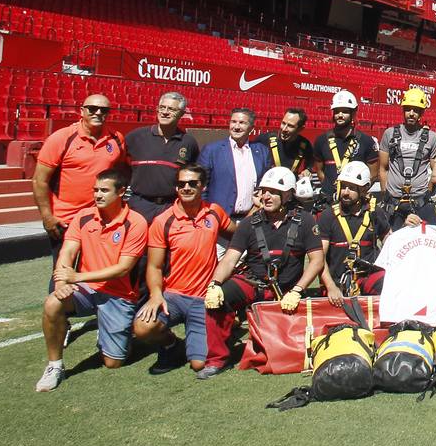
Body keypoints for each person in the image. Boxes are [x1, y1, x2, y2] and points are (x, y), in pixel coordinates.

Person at [202, 167, 324, 379]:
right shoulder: (249, 224)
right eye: (263, 191)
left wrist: (297, 290)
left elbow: (316, 261)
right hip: (254, 283)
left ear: (287, 194)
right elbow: (230, 258)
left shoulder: (305, 221)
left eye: (273, 191)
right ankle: (217, 358)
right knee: (219, 298)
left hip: (288, 291)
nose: (265, 196)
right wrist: (214, 284)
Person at [36, 169, 147, 392]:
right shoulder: (83, 217)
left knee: (113, 363)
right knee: (52, 303)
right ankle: (54, 366)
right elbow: (67, 252)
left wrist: (76, 277)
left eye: (104, 190)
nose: (98, 195)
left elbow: (122, 269)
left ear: (121, 192)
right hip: (86, 289)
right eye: (95, 190)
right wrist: (61, 284)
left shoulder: (136, 222)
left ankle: (113, 335)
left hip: (119, 294)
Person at [134, 164, 232, 374]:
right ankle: (172, 345)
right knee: (143, 327)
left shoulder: (215, 212)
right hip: (173, 296)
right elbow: (154, 266)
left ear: (203, 186)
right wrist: (155, 295)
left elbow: (239, 235)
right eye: (181, 184)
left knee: (199, 364)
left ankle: (202, 337)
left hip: (203, 298)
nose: (186, 187)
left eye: (192, 183)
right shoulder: (163, 221)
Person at [31, 94, 127, 266]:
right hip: (65, 220)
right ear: (81, 111)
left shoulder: (116, 139)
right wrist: (47, 217)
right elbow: (40, 181)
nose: (98, 113)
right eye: (92, 109)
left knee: (93, 271)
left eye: (103, 110)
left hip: (100, 218)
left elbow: (120, 172)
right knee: (63, 273)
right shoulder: (61, 138)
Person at [317, 161, 390, 301]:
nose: (345, 192)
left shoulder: (374, 212)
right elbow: (319, 258)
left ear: (364, 190)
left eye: (351, 188)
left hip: (368, 277)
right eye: (343, 187)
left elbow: (389, 239)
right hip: (338, 281)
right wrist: (331, 286)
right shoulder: (328, 215)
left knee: (387, 283)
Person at [125, 91, 199, 223]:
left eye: (171, 109)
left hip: (171, 206)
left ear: (182, 114)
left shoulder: (188, 142)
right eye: (162, 107)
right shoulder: (136, 137)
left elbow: (193, 175)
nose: (165, 112)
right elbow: (120, 166)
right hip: (139, 206)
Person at [376, 87, 436, 217]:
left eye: (416, 110)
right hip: (393, 201)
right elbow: (383, 168)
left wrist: (428, 191)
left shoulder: (432, 137)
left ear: (421, 113)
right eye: (408, 109)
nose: (411, 113)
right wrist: (384, 193)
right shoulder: (389, 134)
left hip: (420, 201)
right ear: (403, 110)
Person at [202, 108, 269, 225]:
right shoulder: (212, 150)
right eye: (233, 122)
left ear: (252, 128)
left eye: (242, 123)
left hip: (252, 220)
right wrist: (206, 215)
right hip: (218, 220)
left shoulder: (262, 151)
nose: (236, 126)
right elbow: (201, 187)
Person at [320, 89, 381, 203]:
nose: (340, 115)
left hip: (356, 204)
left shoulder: (367, 142)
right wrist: (330, 187)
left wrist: (358, 192)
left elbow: (373, 174)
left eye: (344, 111)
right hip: (328, 202)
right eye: (337, 111)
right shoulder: (322, 140)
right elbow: (319, 171)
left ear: (353, 112)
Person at [255, 106, 315, 184]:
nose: (284, 129)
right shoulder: (264, 139)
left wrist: (307, 170)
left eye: (290, 126)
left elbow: (310, 163)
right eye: (283, 123)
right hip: (267, 188)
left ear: (300, 129)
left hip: (289, 190)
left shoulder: (305, 145)